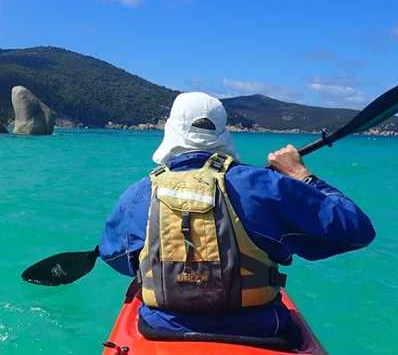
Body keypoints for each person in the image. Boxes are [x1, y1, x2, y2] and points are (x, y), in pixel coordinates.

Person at [99, 92, 375, 346]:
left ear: (171, 130)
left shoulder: (137, 195)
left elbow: (118, 260)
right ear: (223, 132)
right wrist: (301, 175)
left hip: (162, 328)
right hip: (261, 331)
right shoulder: (265, 185)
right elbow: (356, 229)